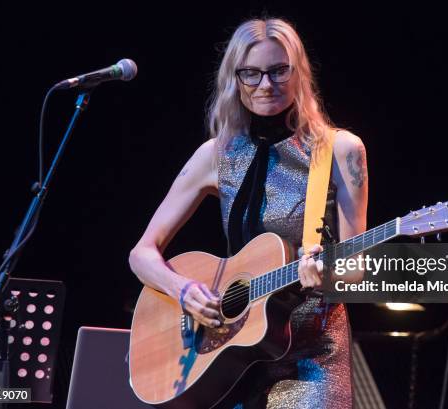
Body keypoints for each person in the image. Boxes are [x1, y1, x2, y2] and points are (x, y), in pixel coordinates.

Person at [129, 17, 368, 409]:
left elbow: (355, 267)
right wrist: (184, 291)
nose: (266, 85)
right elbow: (142, 254)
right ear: (234, 78)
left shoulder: (340, 151)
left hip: (311, 358)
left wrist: (325, 273)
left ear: (299, 73)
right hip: (230, 356)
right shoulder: (216, 155)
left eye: (278, 71)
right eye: (251, 74)